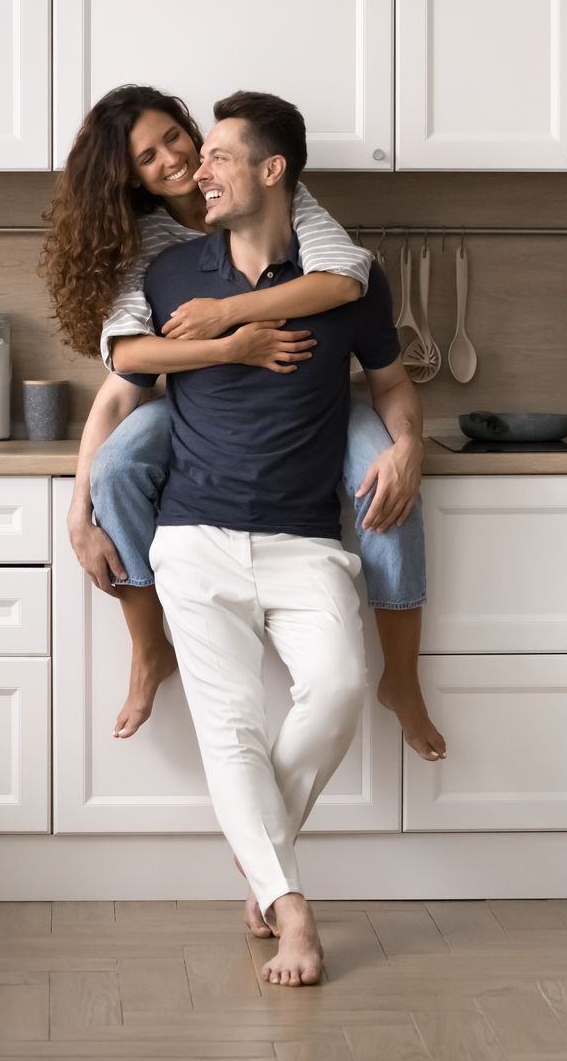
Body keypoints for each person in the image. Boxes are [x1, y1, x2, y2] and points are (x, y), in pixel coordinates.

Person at [40, 85, 445, 763]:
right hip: (199, 398)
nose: (176, 160)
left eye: (178, 137)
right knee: (115, 468)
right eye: (148, 155)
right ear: (128, 177)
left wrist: (231, 313)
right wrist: (76, 512)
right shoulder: (152, 251)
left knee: (389, 480)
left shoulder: (274, 190)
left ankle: (400, 677)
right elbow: (126, 366)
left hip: (314, 400)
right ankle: (149, 648)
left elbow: (345, 280)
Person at [119, 90, 417, 987]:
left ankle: (260, 861)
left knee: (342, 685)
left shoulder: (345, 274)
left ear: (272, 169)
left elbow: (395, 383)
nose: (196, 171)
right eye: (192, 156)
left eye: (215, 156)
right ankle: (294, 916)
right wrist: (221, 338)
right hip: (194, 534)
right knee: (229, 727)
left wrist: (407, 446)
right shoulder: (173, 274)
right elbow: (123, 367)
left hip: (304, 538)